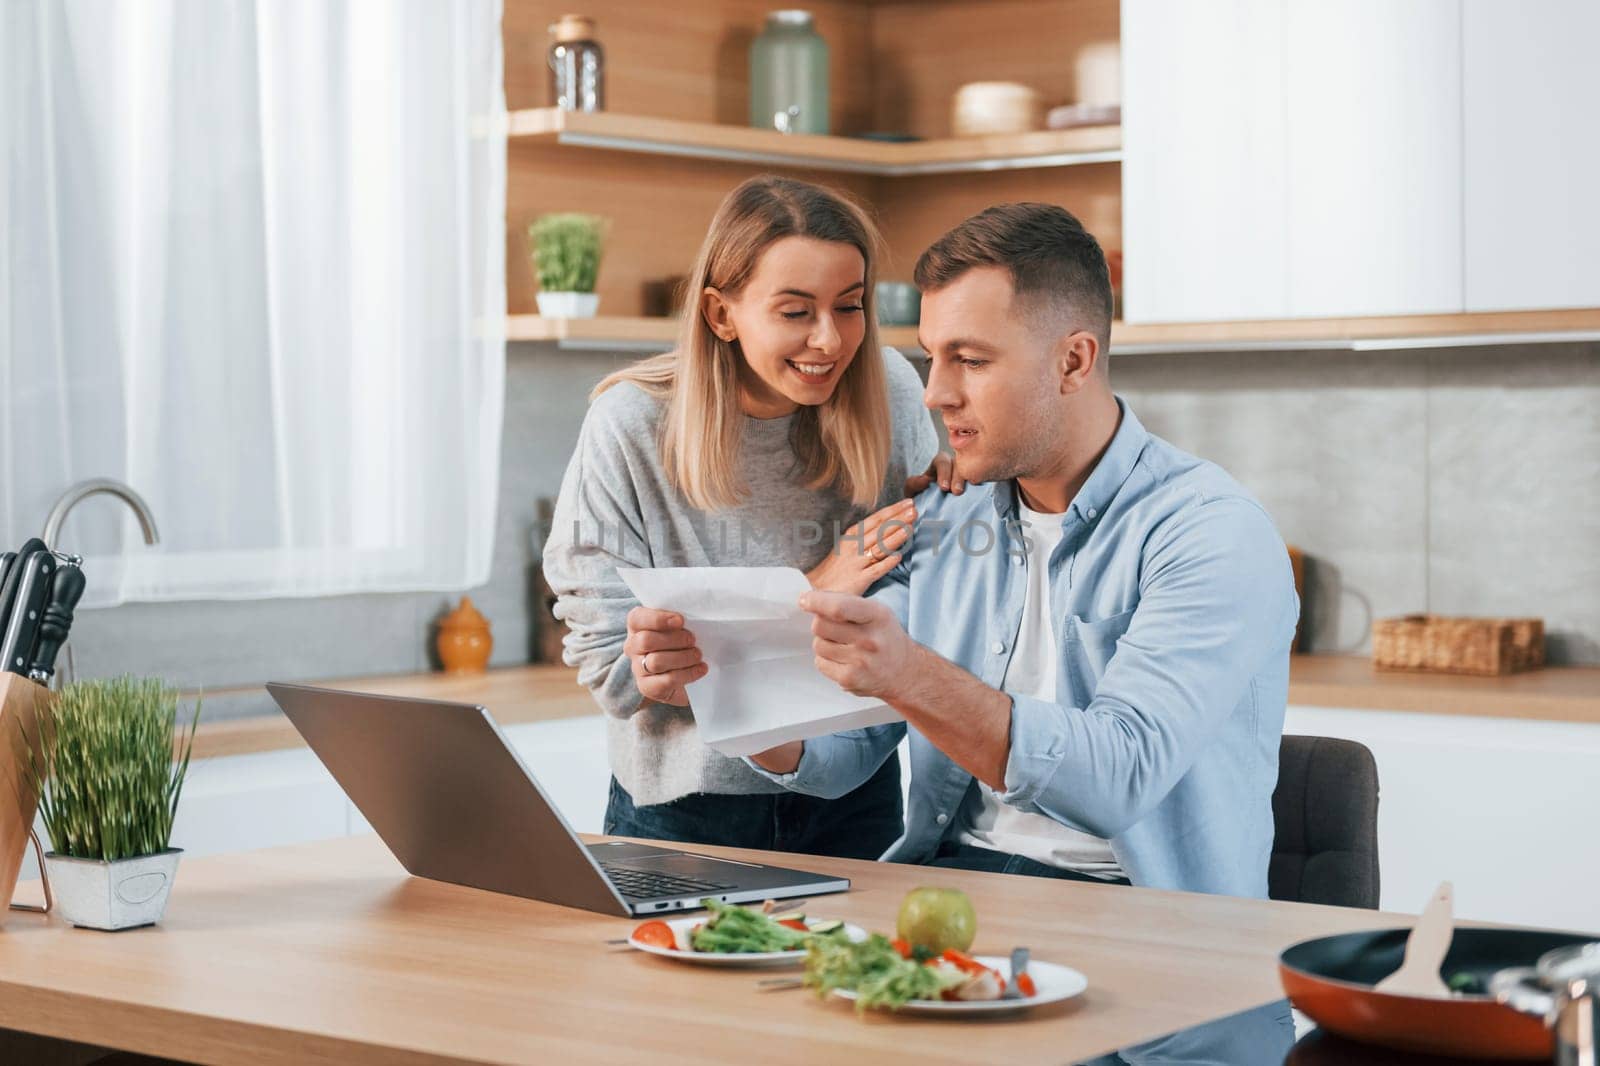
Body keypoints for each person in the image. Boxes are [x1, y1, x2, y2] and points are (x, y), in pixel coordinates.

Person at [729, 201, 1299, 898]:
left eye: (969, 360)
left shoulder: (1209, 532)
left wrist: (909, 673)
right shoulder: (942, 520)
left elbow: (1119, 779)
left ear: (1072, 361)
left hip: (1144, 918)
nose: (936, 393)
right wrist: (728, 685)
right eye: (933, 357)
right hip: (955, 892)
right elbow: (846, 749)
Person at [541, 175, 946, 860]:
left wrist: (966, 485)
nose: (830, 340)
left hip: (855, 792)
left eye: (849, 307)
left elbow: (920, 604)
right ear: (720, 314)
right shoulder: (632, 425)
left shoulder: (890, 391)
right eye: (795, 312)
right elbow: (610, 667)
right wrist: (818, 587)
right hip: (687, 808)